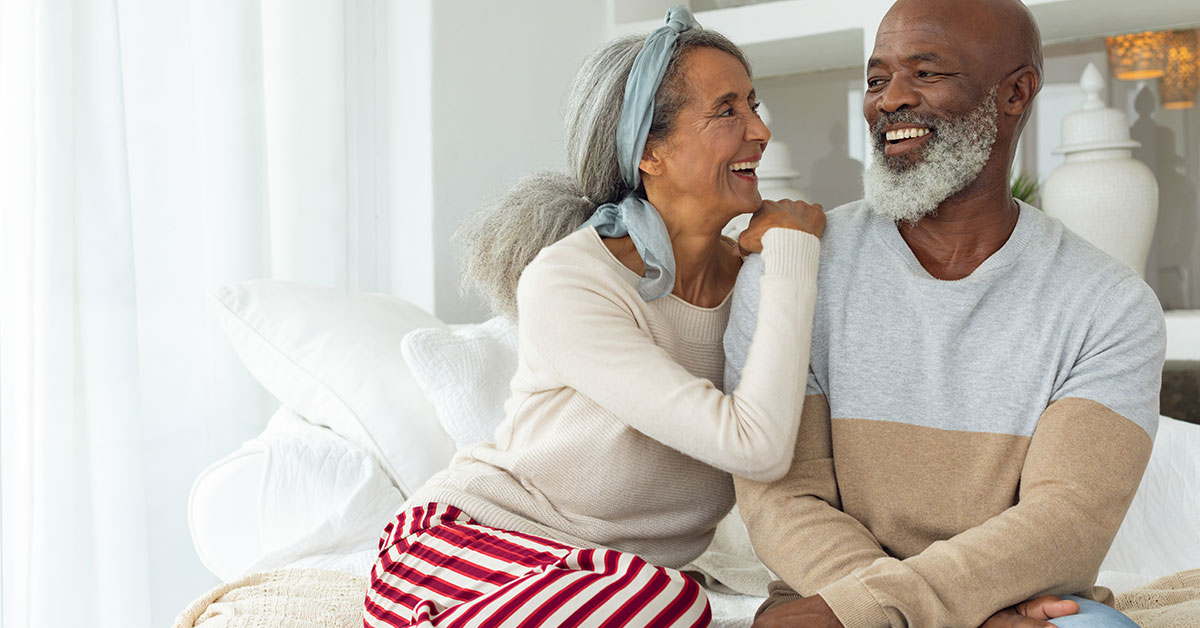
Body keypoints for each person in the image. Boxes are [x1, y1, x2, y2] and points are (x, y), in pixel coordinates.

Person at [363, 6, 826, 627]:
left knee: (665, 596)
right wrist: (793, 251)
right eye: (727, 110)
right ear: (647, 152)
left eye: (754, 105)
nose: (760, 132)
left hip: (603, 581)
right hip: (458, 549)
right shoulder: (571, 280)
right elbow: (756, 446)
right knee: (671, 600)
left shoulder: (753, 284)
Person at [722, 1, 1166, 627]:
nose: (890, 100)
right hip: (837, 605)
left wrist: (914, 609)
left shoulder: (1109, 304)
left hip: (1014, 604)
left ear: (1016, 92)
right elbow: (783, 496)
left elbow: (1067, 521)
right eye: (877, 80)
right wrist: (909, 612)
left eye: (926, 73)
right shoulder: (793, 267)